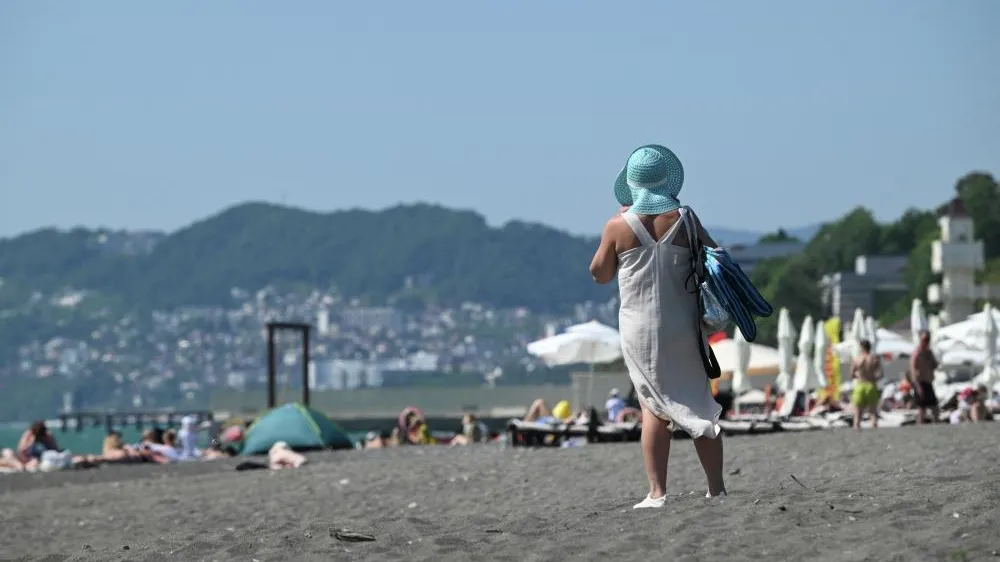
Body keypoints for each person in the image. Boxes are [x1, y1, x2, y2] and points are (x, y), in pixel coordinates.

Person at [590, 144, 725, 509]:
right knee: (698, 400)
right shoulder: (686, 219)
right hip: (684, 324)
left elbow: (599, 273)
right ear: (667, 181)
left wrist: (617, 230)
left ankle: (657, 492)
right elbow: (715, 257)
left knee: (652, 406)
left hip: (640, 328)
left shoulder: (618, 226)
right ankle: (716, 488)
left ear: (631, 184)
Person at [850, 339, 883, 430]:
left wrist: (858, 376)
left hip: (860, 385)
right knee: (872, 411)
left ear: (862, 347)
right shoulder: (874, 358)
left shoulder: (857, 358)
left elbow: (852, 374)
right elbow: (881, 374)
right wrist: (874, 378)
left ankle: (857, 428)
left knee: (858, 412)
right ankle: (874, 428)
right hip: (871, 385)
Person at [908, 331, 940, 424]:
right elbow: (912, 370)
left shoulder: (929, 352)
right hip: (920, 382)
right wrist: (917, 386)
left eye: (927, 340)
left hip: (928, 382)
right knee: (922, 408)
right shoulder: (917, 353)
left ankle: (937, 425)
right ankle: (920, 426)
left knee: (934, 407)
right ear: (920, 340)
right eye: (924, 340)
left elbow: (934, 365)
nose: (926, 342)